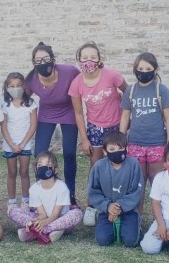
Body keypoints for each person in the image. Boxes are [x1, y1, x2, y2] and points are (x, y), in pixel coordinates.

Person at [68, 41, 128, 226]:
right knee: (96, 167)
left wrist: (125, 127)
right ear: (79, 60)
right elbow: (78, 113)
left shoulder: (111, 75)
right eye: (84, 57)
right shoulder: (77, 83)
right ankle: (92, 205)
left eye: (93, 57)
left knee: (119, 164)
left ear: (99, 59)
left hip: (116, 125)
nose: (89, 61)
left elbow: (129, 94)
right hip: (95, 127)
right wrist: (84, 138)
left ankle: (121, 204)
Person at [24, 42, 80, 206]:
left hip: (68, 110)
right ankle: (42, 194)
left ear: (53, 59)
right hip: (46, 113)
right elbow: (22, 96)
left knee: (69, 154)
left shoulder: (69, 71)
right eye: (38, 60)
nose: (42, 63)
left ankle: (69, 195)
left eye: (46, 59)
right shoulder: (32, 80)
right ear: (33, 63)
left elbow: (83, 82)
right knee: (39, 154)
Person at [120, 52, 169, 214]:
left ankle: (164, 218)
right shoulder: (130, 90)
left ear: (155, 69)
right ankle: (136, 218)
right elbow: (125, 116)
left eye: (148, 68)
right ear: (135, 70)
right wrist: (121, 139)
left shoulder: (161, 90)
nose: (144, 71)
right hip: (135, 144)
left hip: (157, 144)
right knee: (138, 184)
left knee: (158, 183)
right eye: (140, 68)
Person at [8, 151, 82, 244]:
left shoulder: (61, 187)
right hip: (44, 218)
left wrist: (43, 224)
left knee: (77, 213)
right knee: (12, 211)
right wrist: (36, 221)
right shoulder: (34, 189)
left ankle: (37, 231)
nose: (43, 168)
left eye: (48, 165)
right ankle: (38, 229)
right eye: (40, 165)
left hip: (60, 220)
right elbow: (42, 214)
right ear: (36, 169)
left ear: (55, 170)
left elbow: (56, 215)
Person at [88, 131, 143, 247]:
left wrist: (119, 207)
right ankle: (108, 224)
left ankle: (136, 223)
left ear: (126, 149)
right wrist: (108, 206)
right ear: (104, 151)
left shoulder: (133, 164)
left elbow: (136, 191)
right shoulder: (99, 166)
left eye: (120, 148)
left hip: (129, 210)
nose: (116, 152)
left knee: (130, 241)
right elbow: (94, 192)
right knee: (103, 240)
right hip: (106, 209)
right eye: (111, 149)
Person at [1, 72, 38, 212]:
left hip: (25, 144)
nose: (15, 88)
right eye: (12, 86)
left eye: (18, 85)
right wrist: (12, 145)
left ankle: (25, 200)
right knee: (11, 172)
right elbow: (3, 126)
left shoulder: (30, 104)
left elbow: (33, 125)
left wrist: (22, 144)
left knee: (24, 172)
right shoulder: (5, 104)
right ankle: (11, 201)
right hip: (9, 144)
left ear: (24, 86)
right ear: (7, 87)